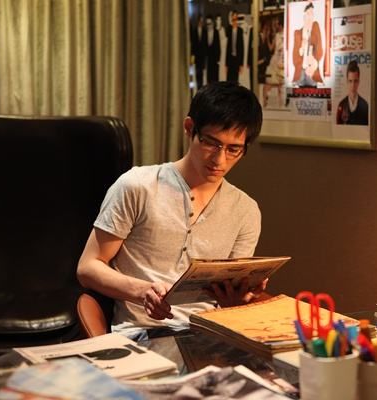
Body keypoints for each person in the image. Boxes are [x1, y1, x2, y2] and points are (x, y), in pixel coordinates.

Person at [77, 81, 265, 340]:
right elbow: (88, 267)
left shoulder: (246, 210)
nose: (219, 159)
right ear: (189, 128)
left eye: (234, 149)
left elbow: (229, 300)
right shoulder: (138, 186)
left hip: (208, 334)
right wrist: (142, 291)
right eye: (211, 143)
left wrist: (238, 299)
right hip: (143, 333)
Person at [292, 2, 323, 87]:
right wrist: (301, 47)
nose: (310, 17)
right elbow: (295, 56)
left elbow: (319, 49)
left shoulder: (315, 27)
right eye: (308, 14)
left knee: (313, 93)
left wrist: (314, 62)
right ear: (304, 15)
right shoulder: (297, 33)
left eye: (312, 14)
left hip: (312, 71)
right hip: (301, 72)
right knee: (298, 94)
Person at [336, 60, 369, 125]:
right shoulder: (341, 104)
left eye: (355, 81)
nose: (353, 85)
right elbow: (338, 127)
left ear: (359, 81)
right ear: (347, 81)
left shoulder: (365, 106)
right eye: (350, 81)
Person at [226, 11, 244, 83]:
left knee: (236, 79)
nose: (235, 21)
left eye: (236, 19)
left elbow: (241, 47)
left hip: (237, 59)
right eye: (233, 19)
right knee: (229, 79)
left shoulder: (240, 31)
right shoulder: (229, 30)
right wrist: (226, 64)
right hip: (230, 58)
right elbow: (227, 47)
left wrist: (241, 64)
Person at [191, 15, 207, 89]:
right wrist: (192, 55)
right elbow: (193, 44)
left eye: (202, 21)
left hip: (202, 55)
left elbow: (205, 44)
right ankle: (198, 87)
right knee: (197, 72)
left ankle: (201, 87)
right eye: (200, 21)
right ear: (198, 21)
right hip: (196, 55)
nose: (201, 22)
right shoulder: (194, 31)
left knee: (202, 73)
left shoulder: (204, 31)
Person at [205, 16, 221, 83]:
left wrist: (218, 59)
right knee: (209, 76)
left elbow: (218, 46)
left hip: (215, 58)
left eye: (209, 23)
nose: (208, 25)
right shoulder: (205, 32)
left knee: (215, 76)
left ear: (212, 23)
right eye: (207, 24)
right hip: (208, 58)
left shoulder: (216, 32)